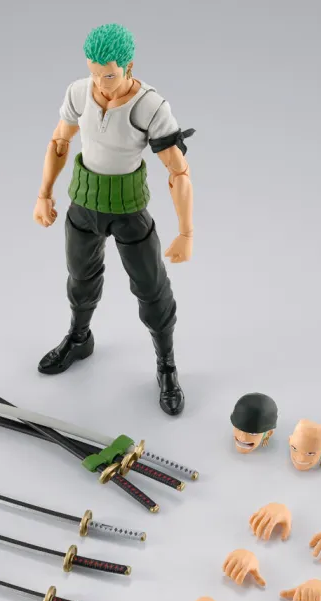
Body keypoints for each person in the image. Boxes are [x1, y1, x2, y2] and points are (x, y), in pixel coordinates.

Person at [32, 23, 195, 416]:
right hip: (84, 203)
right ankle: (79, 338)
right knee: (80, 279)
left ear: (128, 66)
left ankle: (166, 364)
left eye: (108, 75)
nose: (100, 84)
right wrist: (44, 193)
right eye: (93, 73)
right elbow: (60, 141)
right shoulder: (79, 92)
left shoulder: (149, 106)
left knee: (152, 289)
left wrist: (186, 231)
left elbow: (178, 171)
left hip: (128, 208)